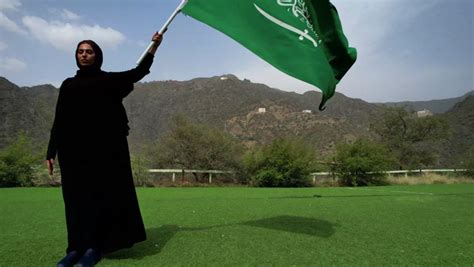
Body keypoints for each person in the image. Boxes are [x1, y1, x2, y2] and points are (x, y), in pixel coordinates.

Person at [46, 32, 164, 267]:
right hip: (72, 154)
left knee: (98, 199)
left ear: (97, 55)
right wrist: (51, 151)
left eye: (89, 51)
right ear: (76, 56)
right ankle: (74, 248)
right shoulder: (68, 85)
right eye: (80, 51)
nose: (84, 55)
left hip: (103, 154)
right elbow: (59, 119)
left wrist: (154, 46)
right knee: (74, 201)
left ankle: (93, 248)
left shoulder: (108, 81)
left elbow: (137, 73)